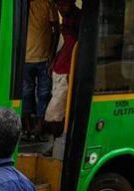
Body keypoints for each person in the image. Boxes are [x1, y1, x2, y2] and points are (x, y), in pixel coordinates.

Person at [22, 0, 59, 139]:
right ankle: (27, 126)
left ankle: (40, 125)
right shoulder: (21, 5)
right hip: (25, 60)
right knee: (26, 93)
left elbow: (56, 30)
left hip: (44, 60)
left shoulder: (47, 4)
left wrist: (52, 55)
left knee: (44, 94)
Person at [44, 0, 81, 136]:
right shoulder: (66, 18)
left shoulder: (79, 18)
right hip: (59, 68)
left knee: (54, 113)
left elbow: (77, 43)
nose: (60, 8)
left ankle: (57, 142)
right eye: (58, 5)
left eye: (63, 4)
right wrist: (53, 62)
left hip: (67, 70)